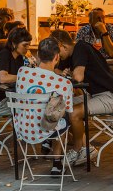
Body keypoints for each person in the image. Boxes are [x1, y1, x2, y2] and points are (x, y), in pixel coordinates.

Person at [50, 29, 113, 164]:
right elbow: (56, 70)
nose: (56, 56)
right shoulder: (70, 54)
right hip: (96, 95)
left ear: (62, 46)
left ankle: (78, 149)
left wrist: (69, 74)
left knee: (74, 112)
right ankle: (86, 148)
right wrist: (64, 72)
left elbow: (78, 77)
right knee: (62, 107)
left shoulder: (81, 48)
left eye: (57, 52)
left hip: (112, 97)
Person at [15, 37, 76, 175]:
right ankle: (56, 163)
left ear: (38, 56)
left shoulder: (22, 73)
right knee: (62, 115)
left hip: (24, 126)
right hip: (48, 128)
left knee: (49, 113)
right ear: (56, 57)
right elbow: (69, 109)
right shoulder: (63, 83)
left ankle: (44, 146)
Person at [0, 27, 32, 117]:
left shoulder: (20, 57)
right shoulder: (5, 55)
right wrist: (25, 77)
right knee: (32, 108)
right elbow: (3, 78)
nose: (27, 48)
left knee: (35, 104)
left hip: (11, 97)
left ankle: (21, 130)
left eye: (29, 45)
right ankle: (21, 130)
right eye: (25, 45)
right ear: (14, 43)